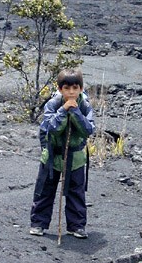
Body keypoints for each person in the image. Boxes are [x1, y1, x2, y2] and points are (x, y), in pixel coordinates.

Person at [30, 67, 95, 239]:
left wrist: (74, 112)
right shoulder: (53, 104)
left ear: (81, 88)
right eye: (67, 88)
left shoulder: (85, 105)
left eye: (75, 88)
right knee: (45, 189)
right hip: (52, 155)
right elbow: (51, 128)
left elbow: (87, 130)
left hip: (75, 157)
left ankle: (77, 226)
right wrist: (64, 110)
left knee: (76, 192)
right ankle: (38, 223)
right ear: (60, 89)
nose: (71, 92)